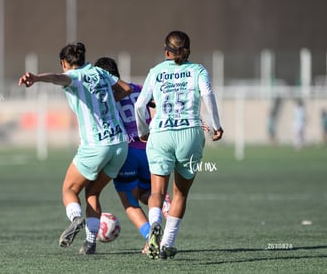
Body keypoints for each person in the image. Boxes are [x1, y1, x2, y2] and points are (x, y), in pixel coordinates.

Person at [18, 43, 132, 255]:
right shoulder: (100, 72)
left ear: (64, 63)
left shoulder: (74, 76)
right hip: (119, 144)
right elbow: (126, 89)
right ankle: (90, 243)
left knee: (69, 190)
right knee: (93, 191)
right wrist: (104, 100)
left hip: (96, 146)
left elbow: (56, 77)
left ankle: (75, 218)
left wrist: (35, 77)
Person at [135, 30, 224, 260]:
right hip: (191, 134)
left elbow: (139, 105)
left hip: (161, 133)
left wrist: (143, 131)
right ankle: (167, 243)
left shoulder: (156, 71)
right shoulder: (198, 70)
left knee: (156, 191)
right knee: (180, 193)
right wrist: (216, 125)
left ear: (166, 51)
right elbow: (208, 95)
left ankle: (154, 225)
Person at [94, 57, 171, 254]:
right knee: (149, 193)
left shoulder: (104, 97)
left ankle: (150, 237)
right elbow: (155, 102)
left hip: (126, 152)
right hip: (150, 148)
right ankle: (164, 206)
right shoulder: (137, 87)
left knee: (130, 201)